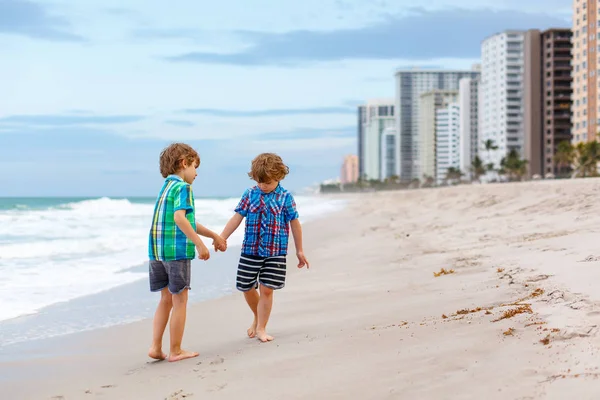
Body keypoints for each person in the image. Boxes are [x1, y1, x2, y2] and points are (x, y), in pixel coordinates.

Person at [147, 143, 226, 362]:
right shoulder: (184, 188)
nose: (196, 172)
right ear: (184, 163)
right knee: (180, 299)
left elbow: (187, 220)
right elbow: (180, 219)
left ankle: (155, 347)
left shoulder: (165, 188)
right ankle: (175, 350)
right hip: (176, 252)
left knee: (165, 299)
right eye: (194, 166)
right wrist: (199, 244)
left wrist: (214, 236)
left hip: (156, 252)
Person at [219, 153, 309, 343]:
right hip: (250, 250)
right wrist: (222, 237)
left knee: (267, 290)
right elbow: (237, 217)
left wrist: (299, 250)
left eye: (267, 182)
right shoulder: (250, 194)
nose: (263, 185)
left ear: (279, 176)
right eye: (259, 181)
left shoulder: (285, 197)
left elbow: (295, 223)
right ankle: (257, 316)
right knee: (245, 286)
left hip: (275, 252)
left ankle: (261, 327)